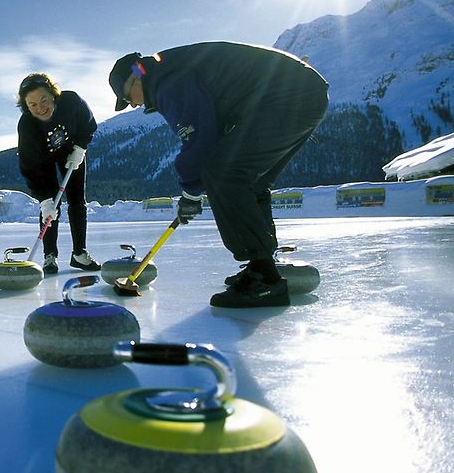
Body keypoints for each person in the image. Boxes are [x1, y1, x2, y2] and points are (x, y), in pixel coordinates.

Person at [108, 41, 329, 308]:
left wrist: (190, 192)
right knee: (250, 182)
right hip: (301, 95)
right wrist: (192, 189)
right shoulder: (167, 71)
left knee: (224, 173)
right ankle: (262, 267)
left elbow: (200, 140)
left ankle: (265, 280)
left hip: (287, 99)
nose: (133, 105)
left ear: (135, 78)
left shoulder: (167, 82)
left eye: (127, 99)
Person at [16, 72, 102, 274]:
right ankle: (50, 256)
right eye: (32, 104)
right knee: (51, 205)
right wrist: (44, 199)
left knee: (77, 200)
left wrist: (80, 147)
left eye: (44, 100)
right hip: (43, 161)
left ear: (53, 94)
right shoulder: (27, 126)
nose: (40, 108)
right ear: (26, 106)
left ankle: (79, 253)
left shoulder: (71, 102)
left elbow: (88, 123)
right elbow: (29, 166)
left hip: (71, 152)